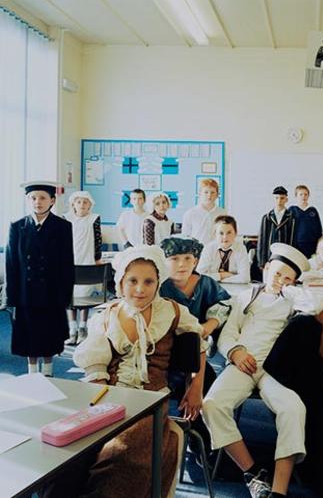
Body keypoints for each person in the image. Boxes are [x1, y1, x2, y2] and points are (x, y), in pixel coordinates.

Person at [67, 245, 208, 498]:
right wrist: (100, 405)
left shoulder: (172, 311)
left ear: (158, 283)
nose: (140, 289)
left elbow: (200, 346)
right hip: (106, 394)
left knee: (123, 452)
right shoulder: (107, 315)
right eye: (132, 280)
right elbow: (96, 364)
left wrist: (196, 387)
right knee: (71, 449)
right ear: (121, 282)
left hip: (151, 400)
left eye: (148, 281)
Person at [202, 243, 323, 498]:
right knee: (211, 404)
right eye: (277, 273)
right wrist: (235, 352)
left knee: (294, 408)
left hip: (273, 371)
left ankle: (278, 491)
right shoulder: (246, 296)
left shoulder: (292, 302)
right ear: (266, 268)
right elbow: (228, 333)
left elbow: (313, 307)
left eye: (288, 278)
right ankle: (253, 472)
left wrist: (290, 290)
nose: (280, 280)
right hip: (242, 364)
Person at [159, 236, 232, 471]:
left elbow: (223, 305)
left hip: (197, 355)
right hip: (166, 357)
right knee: (183, 392)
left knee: (212, 390)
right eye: (174, 258)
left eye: (188, 258)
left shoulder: (206, 284)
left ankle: (217, 443)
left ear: (196, 260)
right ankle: (197, 442)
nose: (181, 264)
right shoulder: (159, 287)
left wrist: (210, 325)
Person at [5, 181, 74, 377]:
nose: (37, 202)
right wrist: (11, 297)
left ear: (52, 200)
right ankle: (32, 372)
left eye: (43, 197)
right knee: (29, 335)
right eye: (33, 198)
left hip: (52, 292)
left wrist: (66, 296)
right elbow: (11, 264)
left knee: (49, 333)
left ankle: (49, 371)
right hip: (25, 293)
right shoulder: (17, 226)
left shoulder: (62, 227)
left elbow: (67, 264)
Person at [64, 191, 103, 345]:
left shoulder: (94, 219)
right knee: (70, 296)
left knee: (85, 295)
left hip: (87, 260)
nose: (82, 205)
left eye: (85, 202)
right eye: (79, 202)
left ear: (90, 205)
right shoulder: (66, 219)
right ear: (73, 204)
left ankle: (83, 327)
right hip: (69, 261)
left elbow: (98, 239)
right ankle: (72, 329)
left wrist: (98, 258)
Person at [197, 215, 251, 283]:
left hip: (236, 288)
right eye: (221, 233)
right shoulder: (208, 248)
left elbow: (245, 278)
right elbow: (199, 275)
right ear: (215, 234)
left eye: (229, 232)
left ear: (235, 233)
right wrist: (221, 275)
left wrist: (219, 279)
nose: (225, 237)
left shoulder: (241, 249)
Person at [257, 186, 296, 270]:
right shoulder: (267, 217)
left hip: (285, 257)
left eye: (282, 198)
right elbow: (262, 240)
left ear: (286, 199)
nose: (279, 201)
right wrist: (262, 262)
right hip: (269, 257)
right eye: (276, 198)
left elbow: (292, 240)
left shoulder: (291, 218)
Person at [182, 178, 226, 246]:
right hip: (196, 252)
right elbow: (185, 237)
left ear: (217, 195)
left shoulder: (222, 213)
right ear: (200, 194)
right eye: (206, 192)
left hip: (215, 251)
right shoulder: (190, 213)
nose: (209, 195)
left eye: (212, 192)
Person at [288, 185, 322, 258]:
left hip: (311, 245)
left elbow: (319, 230)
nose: (303, 196)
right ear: (296, 196)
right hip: (296, 245)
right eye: (301, 194)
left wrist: (319, 245)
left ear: (308, 196)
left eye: (306, 194)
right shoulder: (292, 210)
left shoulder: (313, 210)